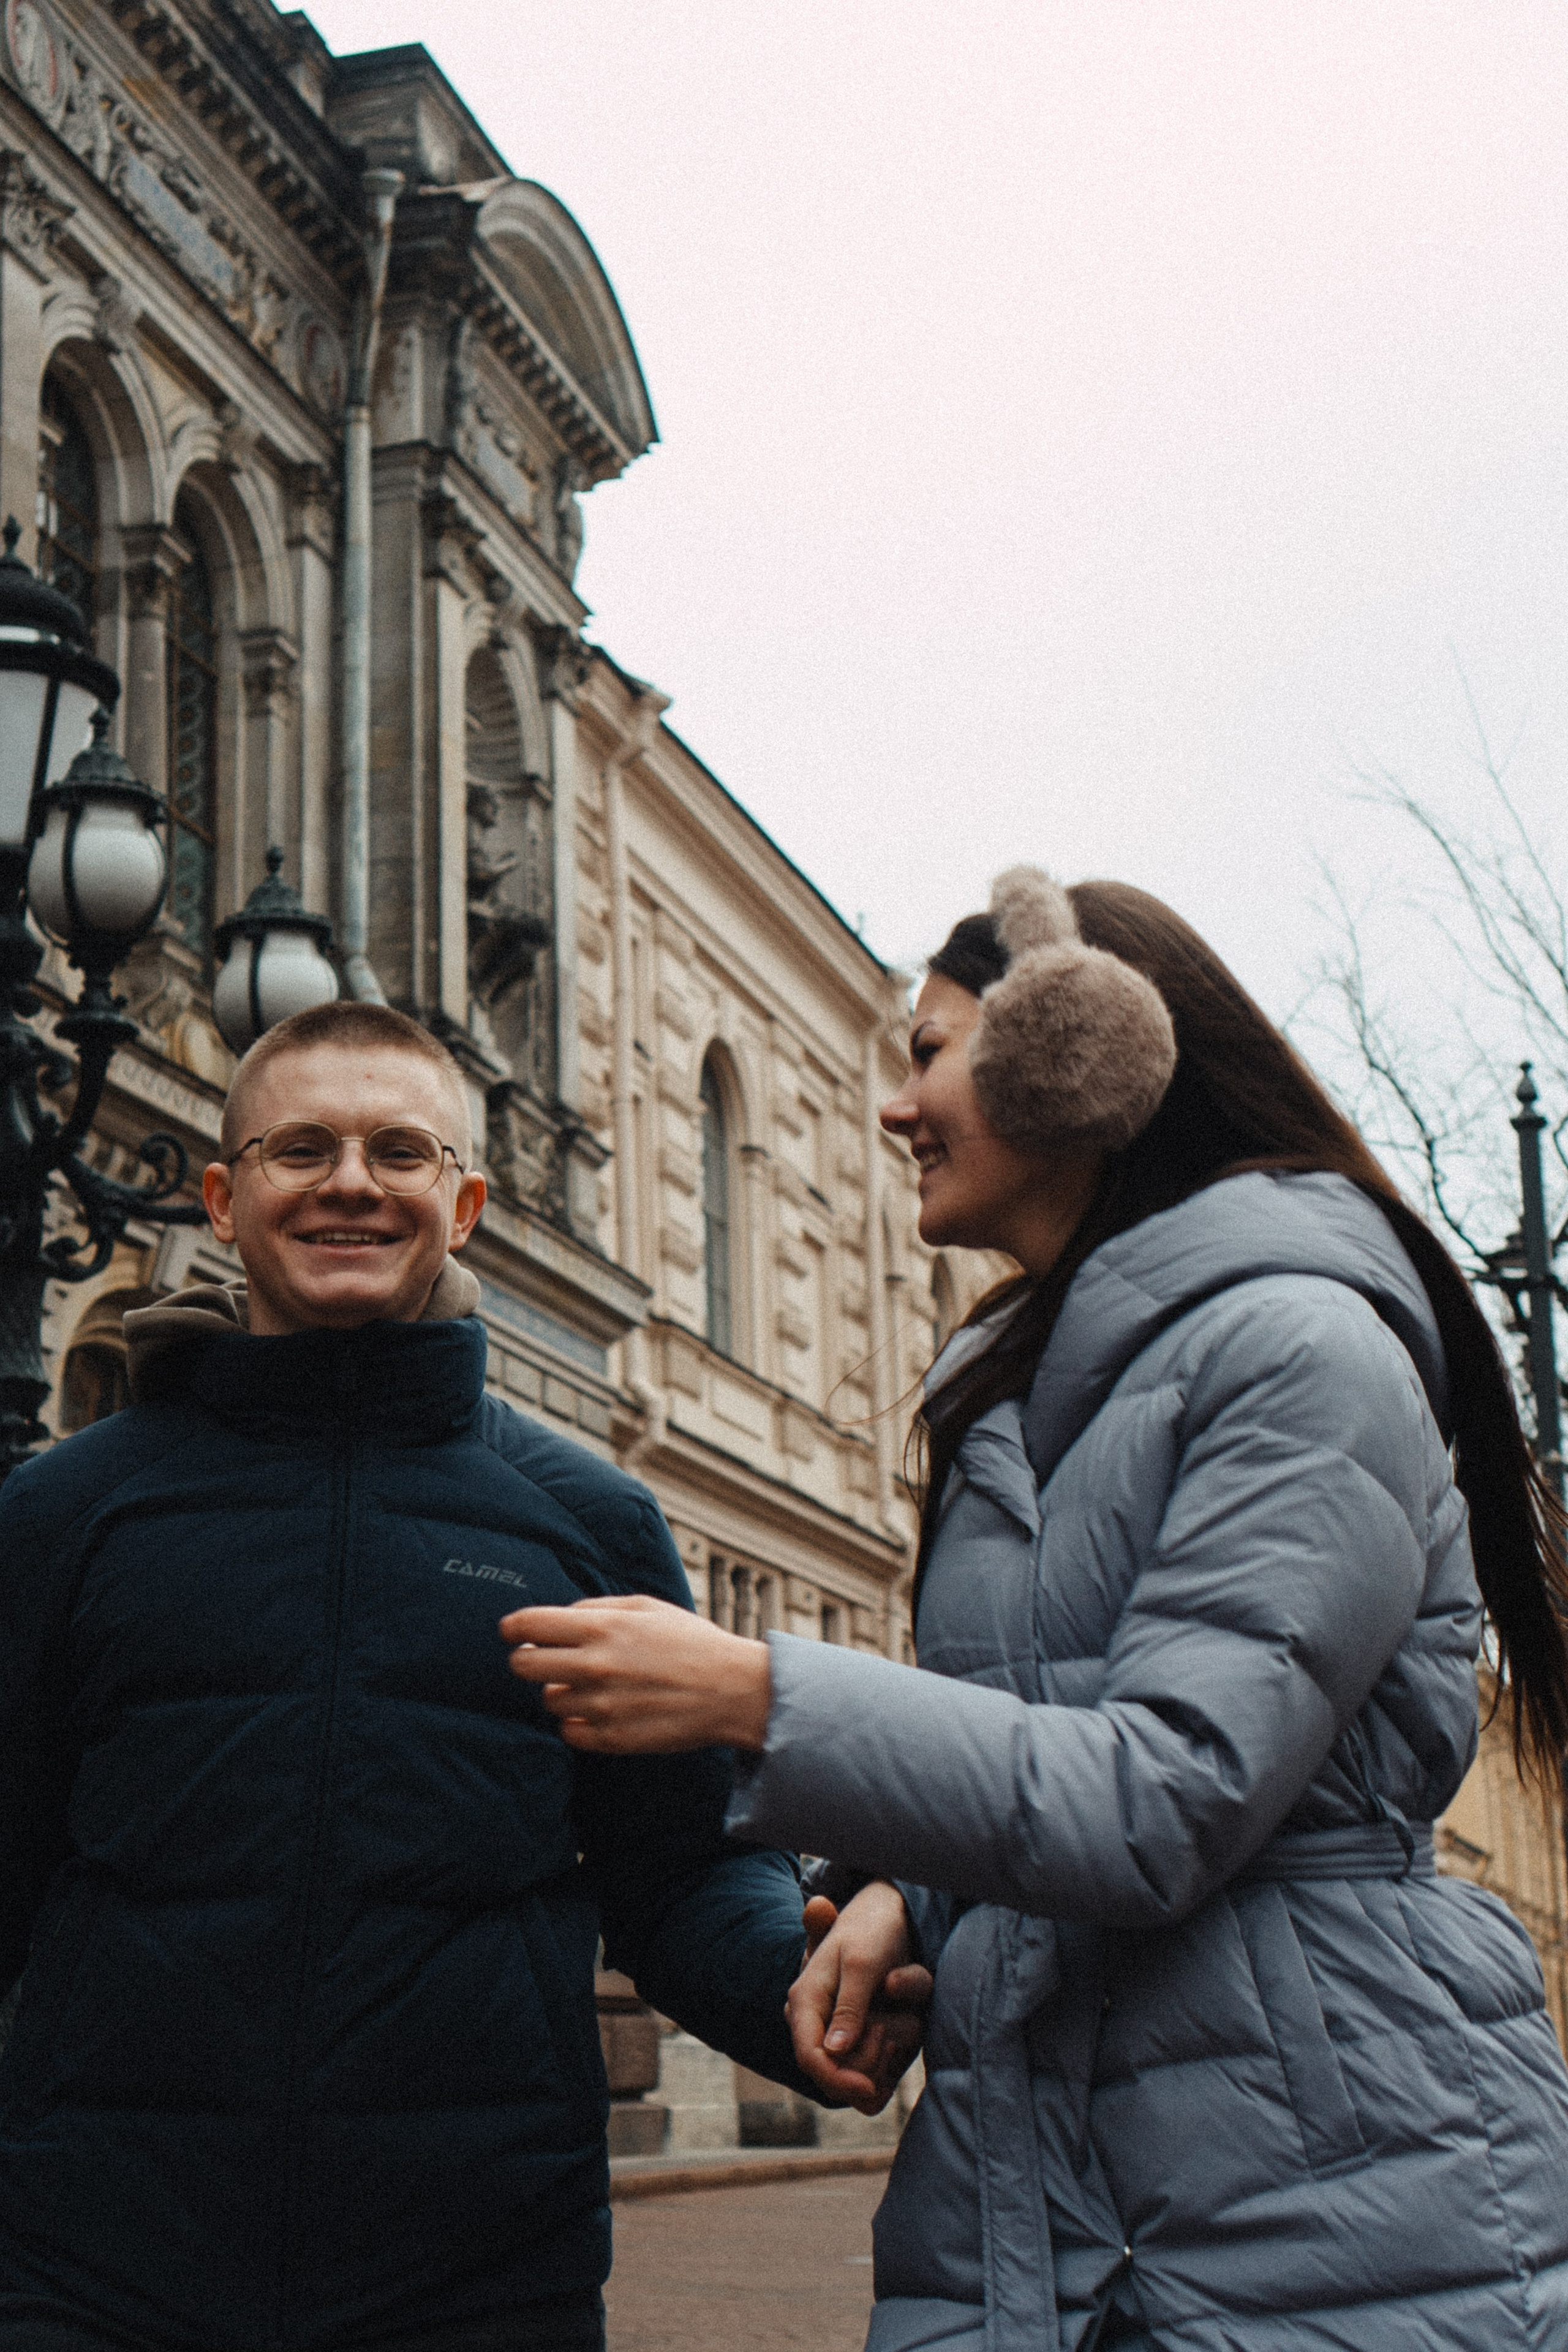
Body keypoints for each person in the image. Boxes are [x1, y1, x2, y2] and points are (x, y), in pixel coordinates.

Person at [504, 866, 1568, 2350]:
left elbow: (1162, 1798)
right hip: (1040, 2186)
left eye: (927, 1053)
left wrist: (759, 1694)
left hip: (1322, 2205)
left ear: (1077, 1060)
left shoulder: (1301, 1350)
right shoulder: (1009, 1399)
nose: (895, 1107)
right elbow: (1050, 1750)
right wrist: (909, 1894)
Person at [0, 1001, 921, 2352]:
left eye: (399, 1150)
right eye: (299, 1148)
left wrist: (798, 1995)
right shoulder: (66, 1515)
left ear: (467, 1201)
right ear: (223, 1192)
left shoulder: (587, 1525)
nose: (351, 1182)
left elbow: (675, 1869)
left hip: (478, 2276)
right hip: (99, 2271)